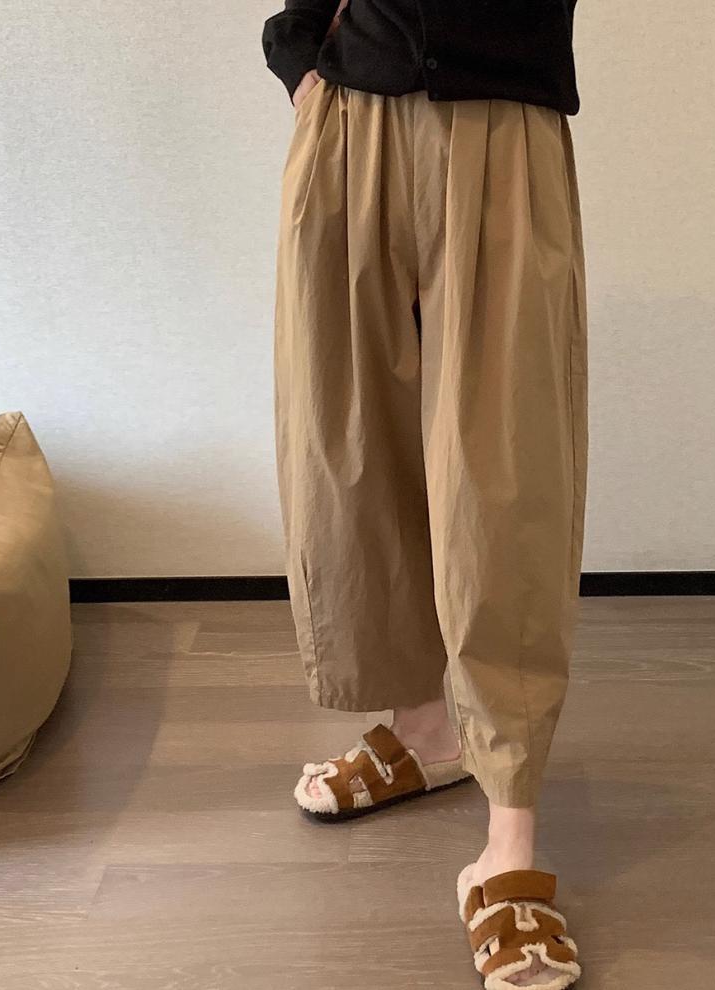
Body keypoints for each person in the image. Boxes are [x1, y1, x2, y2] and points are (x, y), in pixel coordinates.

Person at [262, 2, 588, 986]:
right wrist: (300, 57)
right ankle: (424, 729)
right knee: (350, 449)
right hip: (347, 117)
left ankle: (510, 836)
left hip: (500, 125)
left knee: (505, 480)